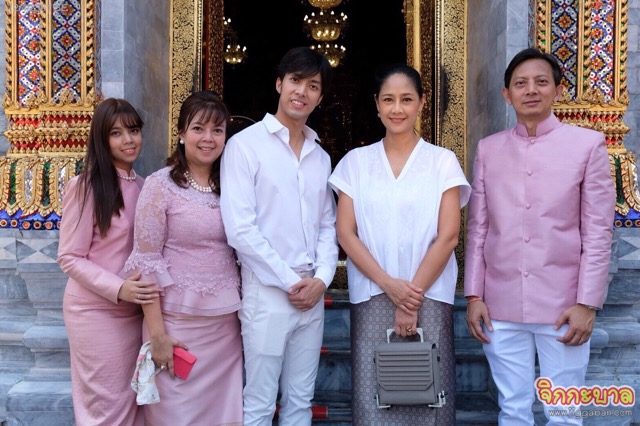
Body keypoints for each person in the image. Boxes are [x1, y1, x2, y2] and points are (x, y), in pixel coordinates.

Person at [465, 48, 615, 425]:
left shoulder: (587, 145)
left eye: (541, 82)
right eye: (521, 83)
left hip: (564, 306)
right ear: (507, 94)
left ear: (558, 90)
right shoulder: (489, 149)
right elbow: (478, 227)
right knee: (512, 409)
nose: (531, 90)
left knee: (564, 412)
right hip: (499, 305)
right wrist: (474, 296)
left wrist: (587, 303)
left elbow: (598, 232)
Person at [329, 64, 470, 425]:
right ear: (376, 104)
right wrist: (390, 286)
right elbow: (346, 233)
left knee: (428, 397)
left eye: (406, 99)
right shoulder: (355, 163)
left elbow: (448, 236)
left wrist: (410, 298)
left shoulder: (442, 162)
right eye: (388, 99)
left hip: (429, 295)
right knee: (377, 400)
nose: (397, 108)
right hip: (373, 294)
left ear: (421, 103)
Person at [220, 47, 339, 426]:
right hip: (268, 291)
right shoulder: (245, 146)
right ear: (279, 84)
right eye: (295, 81)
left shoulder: (320, 157)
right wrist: (291, 281)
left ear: (320, 96)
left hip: (311, 293)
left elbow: (327, 225)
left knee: (300, 401)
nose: (302, 91)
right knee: (258, 401)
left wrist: (321, 279)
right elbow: (240, 229)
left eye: (313, 85)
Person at [124, 91, 243, 425]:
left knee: (223, 417)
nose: (208, 138)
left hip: (224, 328)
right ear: (181, 133)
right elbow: (146, 263)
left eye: (217, 130)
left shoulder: (233, 184)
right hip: (175, 324)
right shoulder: (160, 185)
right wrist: (157, 336)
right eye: (198, 128)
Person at [58, 98, 158, 425]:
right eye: (116, 133)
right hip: (94, 311)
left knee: (133, 399)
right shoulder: (85, 187)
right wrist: (118, 288)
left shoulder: (146, 187)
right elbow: (69, 257)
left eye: (133, 131)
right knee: (107, 404)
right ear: (102, 139)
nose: (128, 140)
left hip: (134, 312)